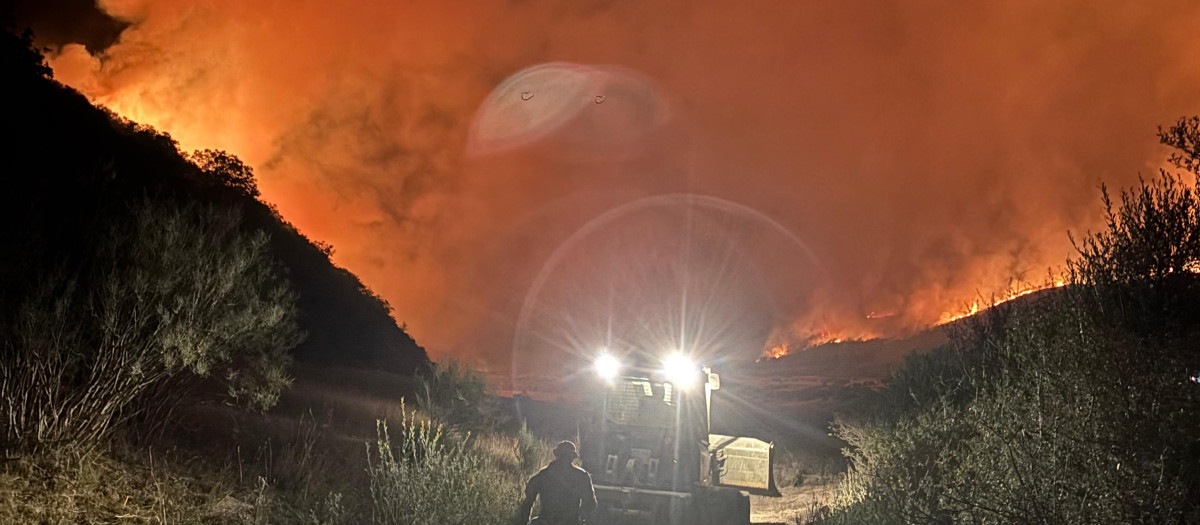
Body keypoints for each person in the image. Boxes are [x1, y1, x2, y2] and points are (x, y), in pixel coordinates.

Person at [516, 440, 598, 525]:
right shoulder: (581, 476)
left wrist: (524, 521)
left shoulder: (543, 475)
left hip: (547, 521)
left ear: (557, 455)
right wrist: (580, 516)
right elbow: (591, 503)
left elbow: (527, 503)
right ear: (572, 457)